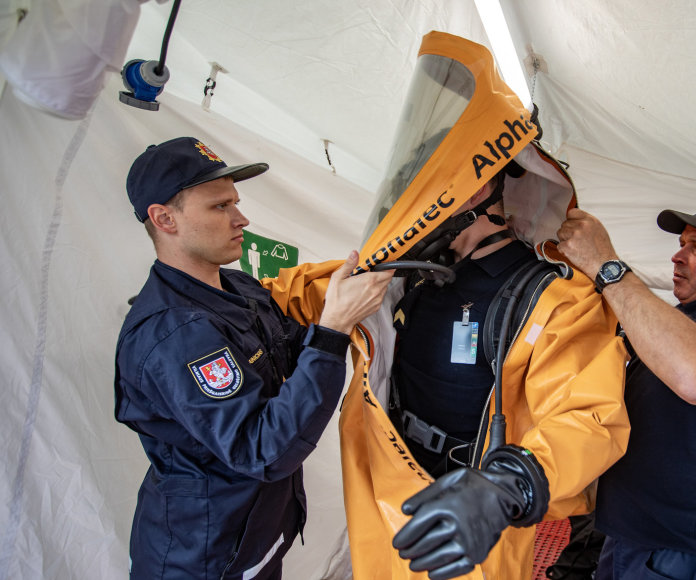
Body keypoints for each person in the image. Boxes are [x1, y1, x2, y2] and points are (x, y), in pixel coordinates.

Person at [261, 31, 630, 580]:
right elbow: (307, 289)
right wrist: (210, 299)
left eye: (426, 186)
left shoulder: (558, 298)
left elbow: (587, 417)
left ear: (477, 192)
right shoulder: (409, 277)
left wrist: (504, 487)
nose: (413, 201)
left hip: (478, 519)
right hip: (386, 490)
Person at [113, 136, 393, 579]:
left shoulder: (238, 289)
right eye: (219, 207)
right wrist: (334, 329)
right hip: (201, 561)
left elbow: (295, 355)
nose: (240, 219)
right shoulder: (174, 334)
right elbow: (261, 449)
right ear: (164, 218)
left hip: (252, 541)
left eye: (235, 203)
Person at [556, 194, 696, 580]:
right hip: (628, 535)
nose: (678, 257)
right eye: (681, 245)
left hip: (674, 551)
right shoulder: (680, 321)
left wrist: (608, 268)